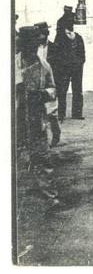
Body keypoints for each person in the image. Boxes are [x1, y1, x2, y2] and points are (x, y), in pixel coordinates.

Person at [15, 25, 59, 208]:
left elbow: (53, 88)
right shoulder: (12, 65)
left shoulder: (44, 66)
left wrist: (44, 94)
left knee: (43, 157)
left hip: (36, 117)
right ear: (22, 46)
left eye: (36, 45)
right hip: (15, 119)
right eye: (29, 45)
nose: (33, 49)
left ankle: (49, 195)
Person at [34, 21, 61, 147]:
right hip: (36, 84)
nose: (41, 37)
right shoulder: (34, 48)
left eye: (44, 34)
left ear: (47, 33)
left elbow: (61, 68)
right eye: (39, 34)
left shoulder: (55, 47)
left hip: (50, 84)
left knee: (51, 113)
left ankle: (56, 133)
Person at [53, 23, 86, 121]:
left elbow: (82, 52)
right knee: (63, 91)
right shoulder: (60, 38)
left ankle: (75, 113)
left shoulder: (78, 37)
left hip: (76, 68)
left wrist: (80, 62)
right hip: (65, 68)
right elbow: (57, 54)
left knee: (76, 90)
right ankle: (63, 114)